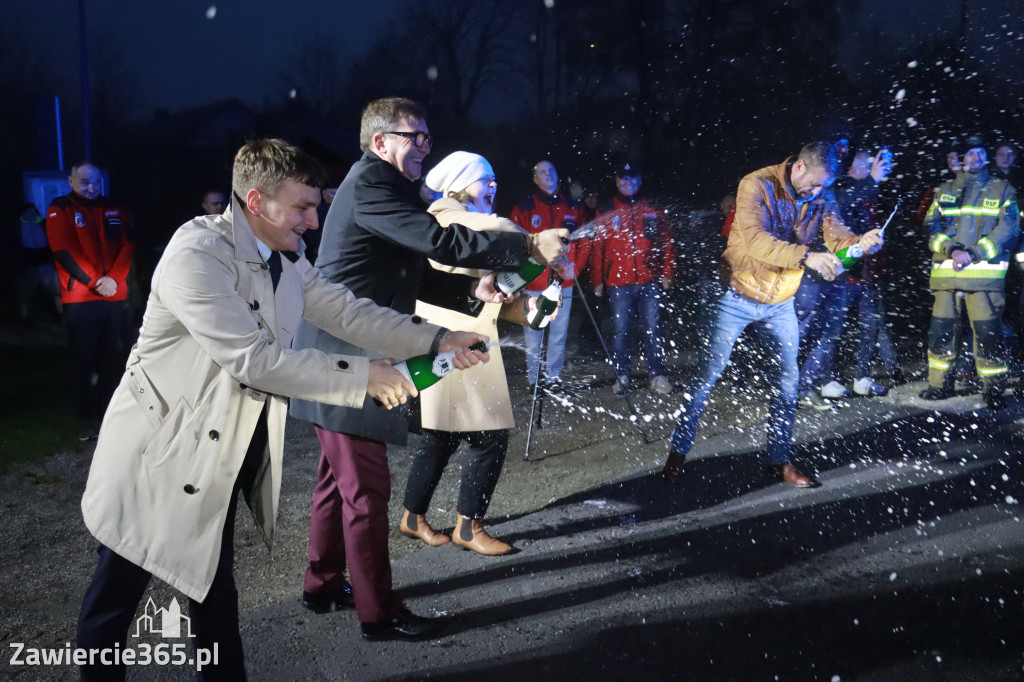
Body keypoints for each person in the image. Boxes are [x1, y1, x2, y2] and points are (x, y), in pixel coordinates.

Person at [75, 139, 488, 680]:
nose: (315, 221)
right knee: (115, 599)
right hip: (158, 456)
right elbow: (255, 360)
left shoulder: (284, 259)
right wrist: (367, 377)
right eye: (303, 207)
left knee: (213, 593)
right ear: (255, 200)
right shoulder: (197, 254)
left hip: (214, 457)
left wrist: (437, 339)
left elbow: (347, 311)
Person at [289, 97, 568, 641]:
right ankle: (378, 612)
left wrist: (473, 287)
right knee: (365, 492)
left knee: (335, 483)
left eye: (426, 138)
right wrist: (527, 245)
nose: (422, 147)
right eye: (411, 137)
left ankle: (321, 585)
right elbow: (439, 241)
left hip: (344, 345)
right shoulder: (371, 183)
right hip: (347, 352)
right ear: (379, 142)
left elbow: (416, 271)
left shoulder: (385, 190)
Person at [661, 142, 883, 487]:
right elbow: (755, 240)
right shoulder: (757, 184)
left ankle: (778, 460)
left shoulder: (821, 192)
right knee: (708, 373)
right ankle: (678, 451)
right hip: (735, 294)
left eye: (823, 186)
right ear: (798, 168)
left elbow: (836, 234)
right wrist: (807, 256)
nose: (818, 191)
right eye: (814, 184)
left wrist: (860, 241)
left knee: (787, 381)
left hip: (780, 301)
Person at [398, 151, 525, 556]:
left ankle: (412, 517)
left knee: (440, 435)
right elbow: (487, 231)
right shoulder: (449, 214)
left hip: (449, 334)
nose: (493, 186)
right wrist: (532, 241)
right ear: (459, 181)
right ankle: (469, 527)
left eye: (494, 179)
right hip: (457, 338)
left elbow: (483, 276)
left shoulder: (457, 216)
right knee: (488, 436)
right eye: (484, 179)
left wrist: (522, 299)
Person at [919, 134, 1020, 410]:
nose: (974, 158)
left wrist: (973, 253)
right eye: (969, 154)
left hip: (984, 278)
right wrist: (951, 250)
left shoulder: (1002, 189)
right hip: (947, 276)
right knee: (941, 331)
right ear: (962, 159)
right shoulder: (944, 190)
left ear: (986, 158)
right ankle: (939, 384)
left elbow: (1008, 230)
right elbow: (931, 227)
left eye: (979, 153)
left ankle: (993, 390)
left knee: (989, 334)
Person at [796, 147, 896, 407]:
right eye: (869, 163)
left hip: (855, 271)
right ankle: (792, 386)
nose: (876, 167)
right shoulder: (838, 187)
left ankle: (813, 385)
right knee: (801, 330)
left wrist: (865, 246)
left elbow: (851, 229)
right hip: (818, 271)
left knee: (840, 330)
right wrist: (871, 181)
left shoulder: (865, 191)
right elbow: (842, 208)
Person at [45, 161, 134, 435]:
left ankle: (108, 413)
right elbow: (63, 250)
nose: (92, 187)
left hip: (113, 296)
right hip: (81, 298)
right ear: (71, 181)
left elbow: (127, 245)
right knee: (83, 359)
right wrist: (96, 282)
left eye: (95, 181)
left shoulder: (114, 207)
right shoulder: (61, 208)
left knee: (112, 357)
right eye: (84, 182)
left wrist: (114, 279)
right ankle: (85, 418)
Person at [590, 162, 675, 395]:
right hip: (619, 283)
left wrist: (667, 271)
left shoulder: (652, 207)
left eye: (633, 179)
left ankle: (656, 375)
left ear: (639, 181)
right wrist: (597, 279)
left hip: (649, 280)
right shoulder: (606, 208)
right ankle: (622, 375)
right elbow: (598, 247)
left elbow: (666, 241)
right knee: (620, 331)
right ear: (617, 182)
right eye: (624, 179)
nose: (628, 183)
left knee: (653, 329)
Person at [509, 160, 591, 389]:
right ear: (535, 179)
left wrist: (575, 268)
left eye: (551, 170)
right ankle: (534, 379)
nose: (548, 175)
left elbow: (585, 242)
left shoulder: (573, 206)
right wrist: (521, 274)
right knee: (533, 333)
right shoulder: (525, 207)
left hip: (562, 283)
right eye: (542, 172)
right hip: (533, 282)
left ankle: (554, 377)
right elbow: (514, 243)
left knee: (558, 334)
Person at [14, 203, 61, 324]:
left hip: (46, 265)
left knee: (57, 292)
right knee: (26, 295)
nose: (31, 215)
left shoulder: (44, 225)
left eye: (33, 213)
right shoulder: (17, 228)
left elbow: (53, 243)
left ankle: (60, 315)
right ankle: (25, 317)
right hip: (28, 266)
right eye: (27, 213)